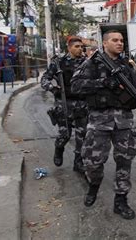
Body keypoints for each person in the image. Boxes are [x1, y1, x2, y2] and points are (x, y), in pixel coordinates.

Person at [71, 30, 136, 220]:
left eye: (122, 40)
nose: (119, 43)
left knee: (125, 161)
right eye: (115, 40)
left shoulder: (127, 66)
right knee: (92, 162)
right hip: (99, 121)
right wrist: (104, 82)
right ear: (105, 44)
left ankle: (121, 200)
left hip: (123, 121)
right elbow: (75, 85)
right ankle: (94, 185)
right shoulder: (93, 63)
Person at [40, 37, 88, 174]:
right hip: (64, 104)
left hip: (82, 104)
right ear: (69, 48)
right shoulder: (59, 63)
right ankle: (59, 149)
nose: (80, 49)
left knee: (82, 135)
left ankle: (78, 163)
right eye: (77, 47)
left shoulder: (86, 62)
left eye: (81, 47)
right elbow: (44, 79)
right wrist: (53, 88)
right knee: (65, 135)